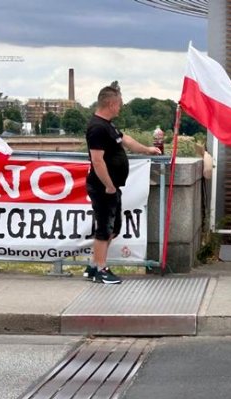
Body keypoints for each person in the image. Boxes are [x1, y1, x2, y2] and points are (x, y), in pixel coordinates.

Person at [84, 85, 161, 285]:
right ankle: (101, 269)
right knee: (104, 229)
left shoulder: (108, 125)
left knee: (113, 228)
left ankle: (93, 266)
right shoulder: (97, 128)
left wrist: (147, 150)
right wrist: (108, 186)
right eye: (119, 104)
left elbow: (126, 140)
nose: (121, 107)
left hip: (111, 187)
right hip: (103, 187)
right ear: (111, 103)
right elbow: (97, 160)